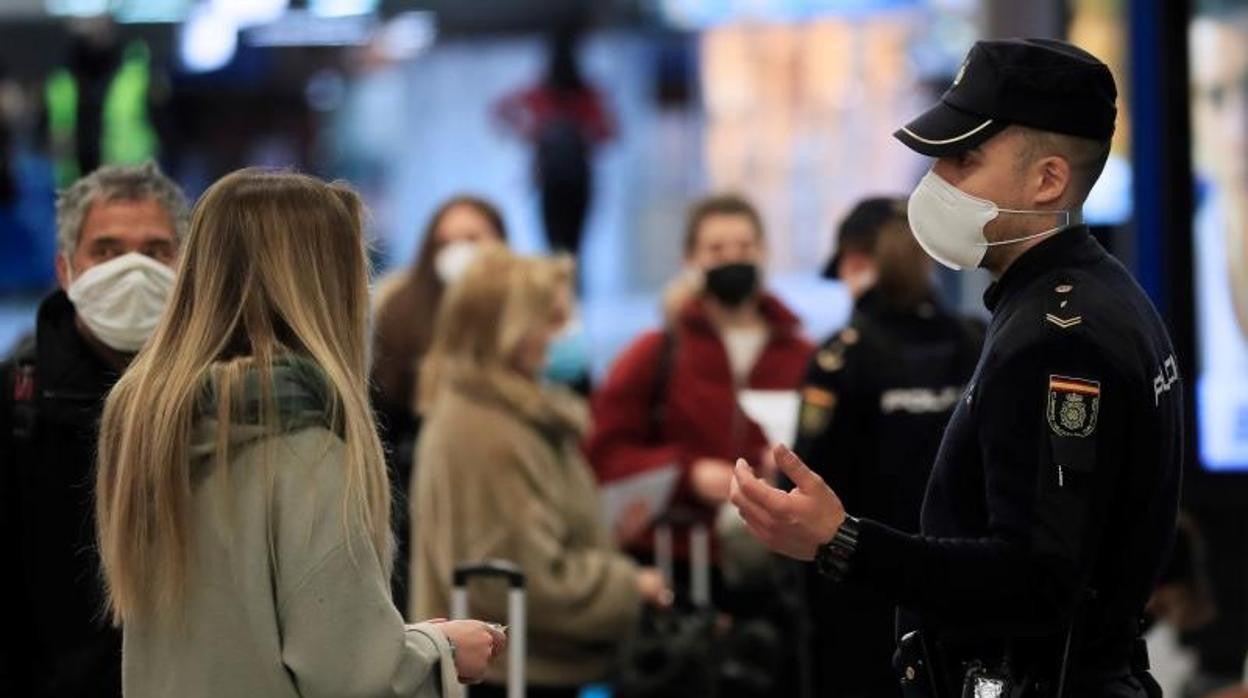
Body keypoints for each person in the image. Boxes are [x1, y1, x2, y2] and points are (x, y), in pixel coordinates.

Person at [732, 39, 1182, 698]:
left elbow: (1036, 582)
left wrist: (841, 539)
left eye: (963, 159)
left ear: (1048, 180)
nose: (936, 181)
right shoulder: (1088, 294)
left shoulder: (1057, 337)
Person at [93, 169, 505, 698]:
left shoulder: (151, 426)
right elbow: (351, 675)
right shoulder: (305, 445)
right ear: (321, 289)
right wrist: (441, 651)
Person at [411, 247, 669, 698]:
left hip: (531, 669)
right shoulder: (487, 430)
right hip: (511, 677)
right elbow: (517, 578)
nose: (565, 333)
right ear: (505, 332)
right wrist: (628, 585)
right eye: (551, 319)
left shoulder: (511, 415)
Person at [0, 161, 186, 698]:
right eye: (105, 251)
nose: (131, 270)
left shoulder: (224, 400)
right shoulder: (18, 404)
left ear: (187, 264)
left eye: (154, 251)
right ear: (66, 270)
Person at [793, 197, 984, 698]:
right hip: (969, 587)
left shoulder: (843, 357)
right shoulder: (978, 342)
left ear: (855, 263)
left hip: (864, 594)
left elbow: (808, 482)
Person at [586, 194, 812, 601]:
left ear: (764, 253)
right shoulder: (658, 350)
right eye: (716, 249)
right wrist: (687, 473)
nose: (732, 259)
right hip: (679, 557)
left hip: (780, 561)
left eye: (745, 247)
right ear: (690, 260)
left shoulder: (803, 356)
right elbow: (603, 454)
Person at [371, 194, 508, 613]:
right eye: (446, 241)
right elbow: (384, 420)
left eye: (472, 237)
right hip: (421, 509)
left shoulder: (524, 314)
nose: (459, 251)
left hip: (503, 500)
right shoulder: (399, 311)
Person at [495, 23, 614, 266]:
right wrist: (534, 132)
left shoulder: (563, 94)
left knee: (563, 245)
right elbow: (608, 133)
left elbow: (608, 132)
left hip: (568, 177)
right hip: (562, 178)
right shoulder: (575, 94)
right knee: (568, 247)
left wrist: (536, 132)